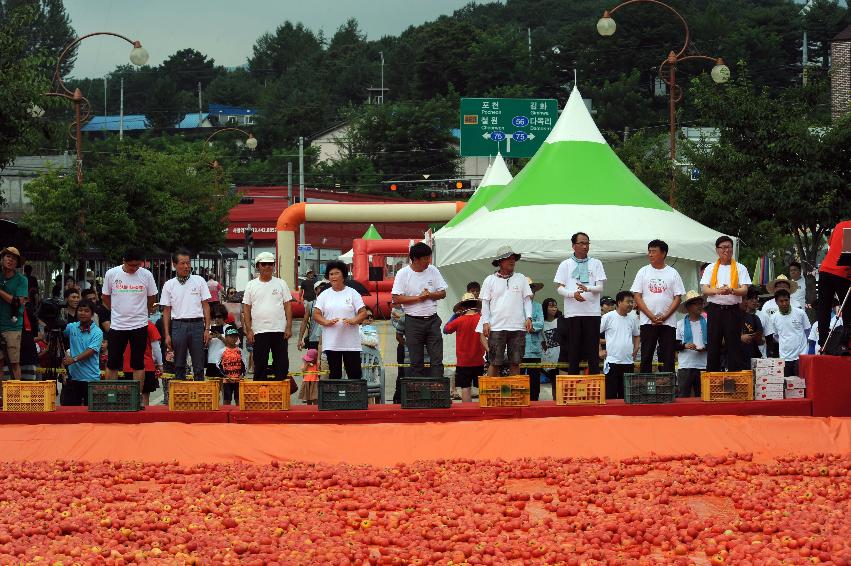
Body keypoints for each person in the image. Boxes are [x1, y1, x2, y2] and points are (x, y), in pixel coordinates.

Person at [390, 243, 448, 378]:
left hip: (433, 320)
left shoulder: (433, 270)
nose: (428, 261)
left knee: (437, 360)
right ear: (415, 259)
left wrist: (429, 295)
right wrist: (418, 298)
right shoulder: (403, 273)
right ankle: (418, 394)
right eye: (425, 258)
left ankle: (437, 391)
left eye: (429, 257)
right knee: (416, 362)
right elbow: (396, 298)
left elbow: (442, 293)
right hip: (413, 321)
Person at [102, 248, 158, 383]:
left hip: (139, 325)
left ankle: (137, 398)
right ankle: (111, 397)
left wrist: (146, 311)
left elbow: (152, 297)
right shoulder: (111, 274)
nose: (134, 268)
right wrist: (115, 310)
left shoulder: (146, 275)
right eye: (131, 265)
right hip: (118, 325)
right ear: (123, 261)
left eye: (137, 265)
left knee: (138, 363)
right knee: (112, 362)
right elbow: (105, 297)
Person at [554, 232, 607, 375]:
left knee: (592, 352)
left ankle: (594, 383)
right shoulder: (565, 264)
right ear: (573, 246)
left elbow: (600, 287)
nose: (585, 246)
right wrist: (573, 294)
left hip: (592, 312)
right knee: (573, 351)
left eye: (587, 243)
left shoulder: (596, 263)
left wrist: (587, 288)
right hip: (573, 313)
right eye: (582, 243)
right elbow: (559, 287)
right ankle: (574, 384)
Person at [630, 239, 685, 374]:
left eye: (654, 251)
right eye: (649, 251)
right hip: (648, 321)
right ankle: (645, 386)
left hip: (668, 322)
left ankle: (667, 386)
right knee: (647, 354)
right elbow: (637, 296)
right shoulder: (643, 271)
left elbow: (678, 297)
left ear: (663, 253)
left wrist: (665, 316)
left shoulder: (673, 272)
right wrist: (651, 316)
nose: (650, 254)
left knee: (667, 356)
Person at [479, 246, 533, 377]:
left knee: (515, 362)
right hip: (497, 326)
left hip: (518, 327)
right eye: (508, 258)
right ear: (500, 261)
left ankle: (514, 395)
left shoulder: (521, 278)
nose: (512, 261)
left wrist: (529, 317)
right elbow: (485, 303)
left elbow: (527, 300)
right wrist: (485, 322)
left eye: (513, 258)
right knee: (494, 362)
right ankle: (491, 394)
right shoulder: (489, 280)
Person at [700, 236, 751, 372]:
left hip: (733, 310)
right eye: (722, 247)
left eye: (728, 247)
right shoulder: (710, 268)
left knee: (734, 345)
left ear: (732, 249)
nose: (726, 250)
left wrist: (731, 290)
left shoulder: (740, 268)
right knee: (713, 345)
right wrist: (718, 290)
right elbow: (705, 289)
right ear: (717, 250)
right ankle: (712, 377)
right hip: (715, 309)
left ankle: (735, 378)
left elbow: (745, 289)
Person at [161, 249, 212, 381]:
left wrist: (207, 328)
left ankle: (200, 397)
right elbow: (166, 311)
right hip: (178, 326)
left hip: (197, 325)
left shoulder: (199, 280)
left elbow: (206, 306)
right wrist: (167, 334)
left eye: (188, 263)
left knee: (199, 364)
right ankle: (181, 397)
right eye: (182, 263)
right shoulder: (169, 285)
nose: (186, 266)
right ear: (174, 264)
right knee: (178, 364)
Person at [242, 252, 293, 381]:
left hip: (279, 330)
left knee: (281, 364)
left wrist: (288, 327)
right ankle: (260, 397)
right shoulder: (251, 285)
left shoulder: (281, 283)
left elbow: (288, 306)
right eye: (264, 264)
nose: (267, 267)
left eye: (270, 264)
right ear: (258, 266)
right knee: (260, 364)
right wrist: (249, 330)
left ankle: (280, 395)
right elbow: (246, 308)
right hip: (259, 330)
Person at [313, 260, 367, 380]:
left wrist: (354, 320)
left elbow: (363, 313)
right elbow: (316, 314)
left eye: (336, 273)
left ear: (343, 275)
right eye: (331, 274)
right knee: (335, 375)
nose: (333, 276)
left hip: (351, 343)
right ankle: (337, 398)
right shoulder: (324, 295)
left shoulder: (353, 293)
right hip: (332, 343)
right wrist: (326, 321)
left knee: (355, 375)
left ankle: (355, 398)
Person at [59, 299, 103, 405]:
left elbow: (90, 351)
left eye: (86, 311)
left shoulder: (97, 332)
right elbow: (58, 330)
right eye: (80, 310)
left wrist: (73, 360)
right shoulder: (72, 327)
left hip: (91, 379)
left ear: (92, 314)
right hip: (73, 378)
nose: (82, 313)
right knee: (70, 412)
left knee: (92, 414)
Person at [444, 293, 486, 403]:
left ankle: (468, 413)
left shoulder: (459, 320)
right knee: (481, 388)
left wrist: (455, 315)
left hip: (463, 362)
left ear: (462, 307)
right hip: (479, 360)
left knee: (465, 388)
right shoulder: (481, 319)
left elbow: (446, 329)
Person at [816, 219, 851, 349]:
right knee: (847, 307)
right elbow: (848, 255)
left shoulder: (840, 225)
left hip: (825, 270)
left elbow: (833, 245)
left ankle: (822, 341)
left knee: (823, 308)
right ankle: (847, 342)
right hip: (841, 271)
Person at [599, 291, 640, 399]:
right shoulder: (608, 317)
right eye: (628, 302)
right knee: (610, 396)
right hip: (612, 362)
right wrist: (599, 350)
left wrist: (636, 347)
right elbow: (594, 335)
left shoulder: (633, 318)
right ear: (619, 302)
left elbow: (636, 335)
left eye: (632, 302)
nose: (631, 304)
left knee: (626, 397)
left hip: (628, 362)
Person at [765, 288, 811, 377]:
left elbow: (807, 331)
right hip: (784, 358)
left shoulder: (800, 313)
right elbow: (775, 336)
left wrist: (806, 350)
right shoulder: (774, 318)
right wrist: (785, 342)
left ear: (789, 300)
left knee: (801, 385)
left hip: (801, 356)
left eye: (786, 300)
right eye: (781, 301)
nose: (784, 303)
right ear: (776, 302)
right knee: (787, 386)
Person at [0, 247, 29, 381]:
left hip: (12, 326)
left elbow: (18, 301)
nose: (10, 260)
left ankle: (16, 397)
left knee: (14, 363)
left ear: (17, 263)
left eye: (14, 258)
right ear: (2, 259)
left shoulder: (22, 280)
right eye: (7, 257)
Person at [675, 291, 708, 397]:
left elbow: (715, 343)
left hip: (703, 365)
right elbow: (674, 344)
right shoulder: (679, 324)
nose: (700, 306)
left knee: (703, 396)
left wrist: (705, 347)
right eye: (696, 303)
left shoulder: (708, 322)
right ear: (688, 307)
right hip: (685, 365)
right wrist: (685, 345)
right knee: (683, 397)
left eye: (701, 303)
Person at [122, 320, 162, 406]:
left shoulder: (123, 323)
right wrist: (160, 364)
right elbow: (156, 347)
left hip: (128, 366)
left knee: (130, 397)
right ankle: (144, 418)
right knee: (144, 396)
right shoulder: (148, 324)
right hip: (146, 366)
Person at [522, 278, 545, 401]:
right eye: (528, 289)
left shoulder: (538, 306)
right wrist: (529, 325)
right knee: (519, 378)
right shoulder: (515, 306)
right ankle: (519, 400)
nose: (531, 292)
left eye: (533, 289)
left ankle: (534, 400)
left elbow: (541, 324)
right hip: (519, 348)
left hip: (534, 349)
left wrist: (529, 327)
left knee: (535, 378)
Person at [215, 327, 248, 405]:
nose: (234, 338)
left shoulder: (240, 351)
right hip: (227, 381)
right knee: (226, 401)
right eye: (231, 336)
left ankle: (239, 416)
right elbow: (217, 365)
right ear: (226, 338)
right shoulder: (221, 351)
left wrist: (241, 376)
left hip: (238, 380)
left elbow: (245, 365)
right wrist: (226, 376)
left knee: (239, 401)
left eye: (235, 336)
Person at [298, 279, 329, 352]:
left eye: (325, 288)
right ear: (315, 290)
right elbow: (305, 322)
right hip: (314, 339)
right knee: (312, 362)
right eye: (320, 288)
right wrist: (300, 339)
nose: (323, 289)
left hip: (328, 340)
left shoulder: (332, 304)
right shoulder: (311, 305)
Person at [740, 286, 765, 366]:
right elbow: (722, 340)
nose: (754, 301)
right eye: (746, 299)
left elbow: (759, 341)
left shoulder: (755, 318)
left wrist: (757, 337)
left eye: (756, 298)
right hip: (734, 362)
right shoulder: (729, 317)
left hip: (751, 362)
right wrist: (740, 338)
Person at [540, 298, 561, 392]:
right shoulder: (542, 324)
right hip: (549, 358)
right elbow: (542, 343)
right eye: (551, 306)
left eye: (555, 306)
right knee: (554, 384)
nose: (554, 309)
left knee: (562, 385)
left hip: (561, 357)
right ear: (545, 308)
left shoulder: (560, 321)